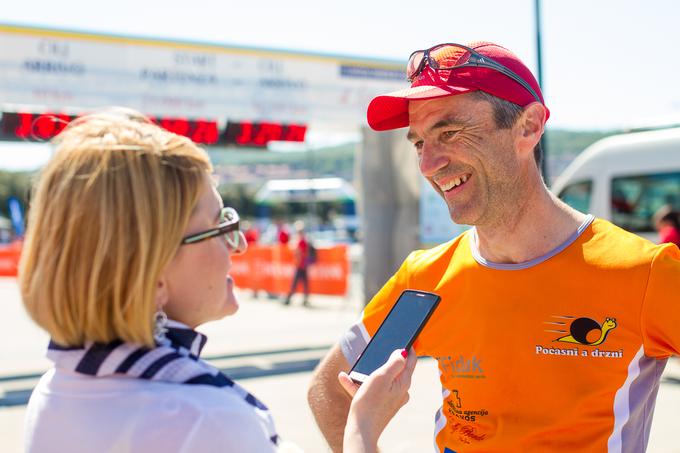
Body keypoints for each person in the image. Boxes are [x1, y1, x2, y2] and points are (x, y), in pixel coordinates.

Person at [308, 41, 680, 452]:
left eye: (449, 133)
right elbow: (330, 389)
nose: (428, 164)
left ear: (529, 126)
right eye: (418, 143)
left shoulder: (645, 272)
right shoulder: (425, 277)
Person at [20, 110, 415, 453]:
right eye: (218, 226)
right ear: (151, 273)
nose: (238, 246)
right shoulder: (201, 415)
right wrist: (362, 421)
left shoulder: (60, 383)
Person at [283, 220, 311, 306]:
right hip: (302, 264)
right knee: (303, 283)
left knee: (295, 283)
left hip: (300, 265)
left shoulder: (302, 241)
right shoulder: (302, 240)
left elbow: (300, 253)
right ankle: (302, 299)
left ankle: (289, 299)